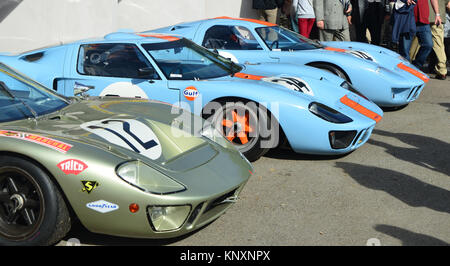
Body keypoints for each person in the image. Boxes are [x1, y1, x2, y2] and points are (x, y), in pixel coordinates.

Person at [410, 0, 448, 79]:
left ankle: (410, 66)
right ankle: (442, 70)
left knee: (415, 44)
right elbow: (448, 4)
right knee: (439, 45)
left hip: (422, 15)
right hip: (436, 17)